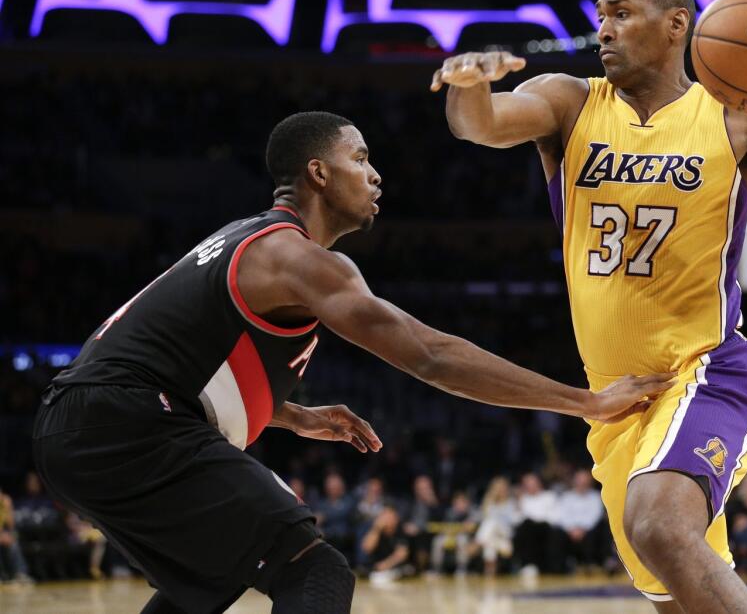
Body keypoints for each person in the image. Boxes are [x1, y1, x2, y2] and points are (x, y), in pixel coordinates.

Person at [31, 111, 671, 614]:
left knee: (214, 574)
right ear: (317, 172)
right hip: (128, 420)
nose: (374, 174)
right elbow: (430, 355)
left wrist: (290, 415)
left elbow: (173, 358)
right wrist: (585, 401)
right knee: (316, 569)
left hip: (87, 421)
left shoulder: (245, 240)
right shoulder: (298, 258)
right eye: (360, 158)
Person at [437, 0, 747, 612]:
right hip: (615, 402)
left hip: (704, 374)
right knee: (672, 593)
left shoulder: (741, 117)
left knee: (657, 526)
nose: (604, 30)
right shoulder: (568, 100)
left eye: (621, 14)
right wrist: (467, 84)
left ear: (677, 25)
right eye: (600, 17)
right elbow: (480, 124)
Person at [558, 469, 608, 572]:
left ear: (589, 482)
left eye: (585, 481)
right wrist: (571, 529)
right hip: (569, 531)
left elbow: (595, 516)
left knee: (602, 528)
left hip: (588, 531)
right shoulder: (566, 497)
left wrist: (582, 530)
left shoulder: (596, 496)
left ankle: (593, 564)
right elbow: (562, 516)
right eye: (580, 481)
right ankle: (560, 568)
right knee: (556, 533)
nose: (582, 484)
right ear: (574, 481)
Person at [471, 476, 520, 576]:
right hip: (500, 543)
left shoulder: (512, 503)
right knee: (489, 545)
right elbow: (480, 517)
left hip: (506, 535)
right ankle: (490, 571)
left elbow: (515, 520)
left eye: (503, 488)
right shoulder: (489, 503)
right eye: (499, 489)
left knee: (492, 522)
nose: (502, 491)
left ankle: (477, 543)